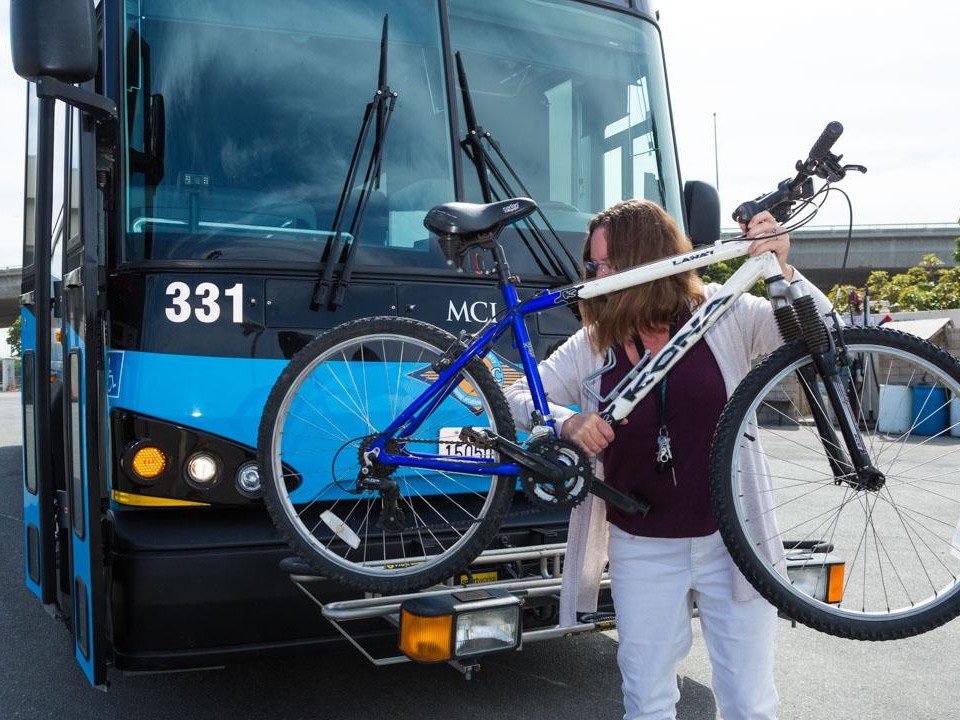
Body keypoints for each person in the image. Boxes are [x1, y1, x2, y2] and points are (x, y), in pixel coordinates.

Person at [504, 199, 833, 720]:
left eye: (609, 264)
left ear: (649, 260)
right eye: (594, 265)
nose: (597, 275)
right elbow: (521, 392)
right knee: (647, 694)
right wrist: (566, 421)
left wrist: (784, 268)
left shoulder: (726, 315)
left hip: (733, 540)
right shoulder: (594, 342)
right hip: (641, 543)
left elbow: (824, 335)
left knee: (750, 700)